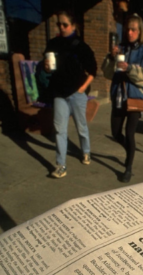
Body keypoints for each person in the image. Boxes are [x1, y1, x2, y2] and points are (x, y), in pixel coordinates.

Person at [102, 13, 143, 183]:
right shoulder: (120, 48)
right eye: (127, 29)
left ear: (140, 31)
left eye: (133, 30)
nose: (129, 33)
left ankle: (128, 167)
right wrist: (111, 58)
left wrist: (129, 69)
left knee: (129, 133)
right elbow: (107, 73)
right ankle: (130, 152)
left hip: (135, 98)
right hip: (118, 97)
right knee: (115, 132)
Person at [44, 10, 97, 179]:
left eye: (65, 24)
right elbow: (47, 68)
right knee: (60, 130)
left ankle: (86, 151)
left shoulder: (81, 46)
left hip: (76, 93)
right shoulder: (53, 44)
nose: (61, 27)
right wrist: (45, 67)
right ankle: (61, 165)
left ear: (73, 26)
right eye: (59, 24)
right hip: (59, 93)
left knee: (81, 126)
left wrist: (82, 88)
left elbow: (93, 70)